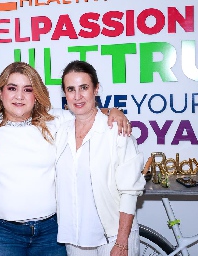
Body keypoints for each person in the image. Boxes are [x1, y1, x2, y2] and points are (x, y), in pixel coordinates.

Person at [0, 62, 132, 256]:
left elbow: (87, 111)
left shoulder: (54, 121)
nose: (19, 96)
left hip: (50, 233)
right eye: (12, 88)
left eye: (27, 89)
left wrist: (113, 112)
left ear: (36, 96)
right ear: (1, 93)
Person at [55, 60, 146, 256]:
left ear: (96, 89)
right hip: (75, 239)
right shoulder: (60, 130)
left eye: (84, 88)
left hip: (113, 238)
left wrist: (122, 243)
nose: (77, 96)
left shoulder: (117, 130)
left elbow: (130, 192)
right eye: (71, 89)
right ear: (64, 94)